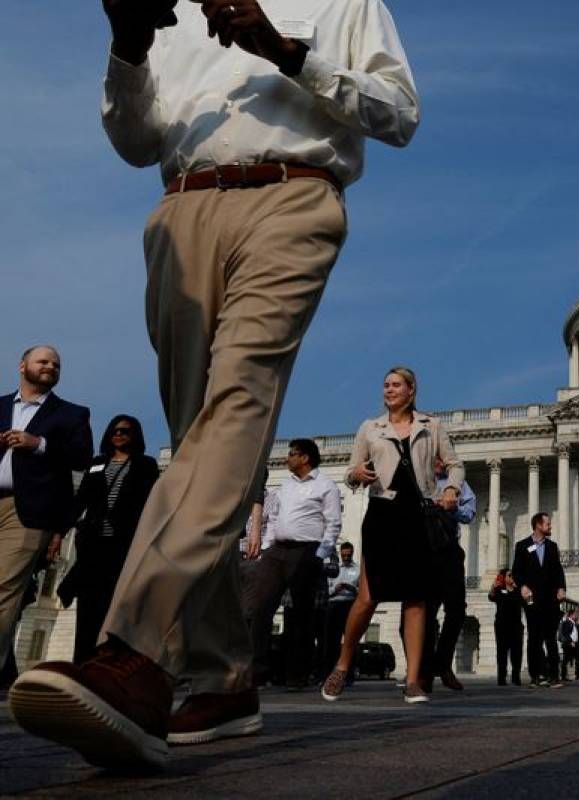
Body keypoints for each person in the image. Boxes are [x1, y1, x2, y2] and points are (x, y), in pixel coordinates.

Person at [9, 1, 421, 769]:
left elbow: (398, 113)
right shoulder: (176, 6)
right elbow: (136, 142)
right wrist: (129, 45)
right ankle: (226, 678)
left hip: (292, 196)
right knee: (202, 448)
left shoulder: (345, 0)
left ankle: (132, 649)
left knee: (234, 413)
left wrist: (286, 51)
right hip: (180, 210)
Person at [322, 367, 463, 704]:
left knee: (416, 599)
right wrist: (357, 473)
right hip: (383, 514)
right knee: (367, 597)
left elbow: (454, 463)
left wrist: (452, 488)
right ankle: (342, 664)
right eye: (386, 385)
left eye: (396, 385)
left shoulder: (431, 426)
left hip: (418, 514)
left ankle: (413, 680)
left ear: (411, 390)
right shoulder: (370, 428)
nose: (389, 390)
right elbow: (350, 473)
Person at [0, 346, 92, 677]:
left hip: (27, 512)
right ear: (22, 365)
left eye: (56, 364)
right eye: (43, 361)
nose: (50, 367)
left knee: (4, 590)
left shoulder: (71, 414)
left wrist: (38, 444)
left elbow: (82, 457)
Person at [244, 438, 341, 691]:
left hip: (306, 550)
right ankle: (257, 672)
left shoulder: (326, 485)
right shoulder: (285, 486)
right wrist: (266, 547)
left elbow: (333, 523)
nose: (287, 458)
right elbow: (274, 517)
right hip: (277, 550)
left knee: (300, 615)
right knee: (260, 607)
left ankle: (296, 675)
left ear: (305, 458)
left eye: (292, 454)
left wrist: (321, 553)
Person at [67, 415, 159, 664]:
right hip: (92, 544)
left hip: (123, 545)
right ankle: (82, 662)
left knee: (116, 604)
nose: (119, 435)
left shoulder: (145, 465)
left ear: (134, 435)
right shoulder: (97, 464)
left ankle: (111, 661)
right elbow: (81, 500)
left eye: (125, 431)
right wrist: (59, 533)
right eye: (115, 431)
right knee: (87, 606)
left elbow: (152, 505)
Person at [416, 457, 477, 693]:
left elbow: (470, 513)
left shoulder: (457, 483)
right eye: (435, 457)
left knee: (457, 610)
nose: (439, 461)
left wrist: (453, 507)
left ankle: (442, 663)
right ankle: (426, 672)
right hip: (423, 551)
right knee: (426, 612)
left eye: (442, 457)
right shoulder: (419, 481)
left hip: (450, 549)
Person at [512, 512, 567, 688]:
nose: (550, 526)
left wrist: (561, 587)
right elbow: (517, 571)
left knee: (550, 636)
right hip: (531, 597)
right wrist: (522, 586)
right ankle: (536, 675)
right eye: (547, 524)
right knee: (534, 636)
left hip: (550, 598)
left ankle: (554, 676)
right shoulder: (522, 546)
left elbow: (558, 570)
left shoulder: (552, 546)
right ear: (538, 525)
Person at [321, 542, 359, 679]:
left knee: (350, 639)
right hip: (334, 604)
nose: (346, 557)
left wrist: (353, 589)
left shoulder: (358, 570)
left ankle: (349, 675)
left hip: (350, 604)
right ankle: (328, 674)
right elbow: (327, 590)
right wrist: (334, 590)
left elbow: (362, 592)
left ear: (352, 553)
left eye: (349, 555)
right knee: (331, 641)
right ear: (341, 554)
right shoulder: (333, 569)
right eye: (344, 555)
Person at [488, 569, 524, 686]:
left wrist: (528, 594)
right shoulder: (499, 590)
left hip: (516, 626)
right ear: (504, 577)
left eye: (513, 575)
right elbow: (491, 597)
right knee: (502, 652)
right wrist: (493, 586)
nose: (512, 577)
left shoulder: (518, 590)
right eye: (510, 575)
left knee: (517, 653)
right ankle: (501, 678)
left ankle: (516, 677)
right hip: (502, 626)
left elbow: (529, 603)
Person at [558, 609, 579, 682]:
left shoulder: (573, 622)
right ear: (571, 615)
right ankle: (563, 676)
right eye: (575, 614)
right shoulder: (567, 622)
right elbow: (566, 633)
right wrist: (571, 641)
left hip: (574, 644)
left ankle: (577, 675)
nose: (576, 616)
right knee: (565, 660)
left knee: (578, 658)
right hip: (568, 644)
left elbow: (575, 633)